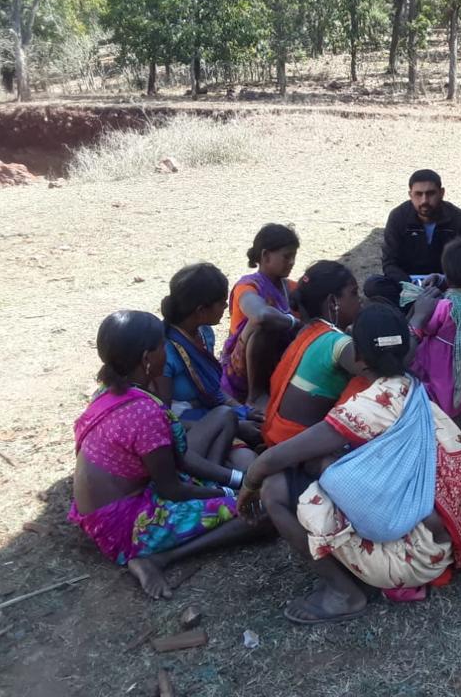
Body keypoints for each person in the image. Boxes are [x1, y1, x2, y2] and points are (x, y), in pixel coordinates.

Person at [237, 305, 461, 624]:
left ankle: (344, 594)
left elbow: (273, 458)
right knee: (321, 464)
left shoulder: (370, 406)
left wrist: (249, 486)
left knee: (275, 489)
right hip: (437, 541)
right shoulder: (410, 387)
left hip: (410, 558)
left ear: (359, 358)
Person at [69, 311, 269, 599]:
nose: (167, 353)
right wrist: (231, 489)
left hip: (114, 506)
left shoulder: (109, 393)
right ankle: (158, 558)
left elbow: (176, 455)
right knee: (264, 510)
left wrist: (238, 480)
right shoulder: (145, 412)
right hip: (124, 526)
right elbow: (171, 489)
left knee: (223, 417)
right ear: (147, 358)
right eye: (163, 346)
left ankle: (223, 492)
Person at [401, 240, 461, 469]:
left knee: (448, 414)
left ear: (449, 277)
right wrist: (444, 281)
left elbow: (427, 327)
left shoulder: (445, 307)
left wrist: (418, 306)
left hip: (448, 367)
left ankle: (452, 461)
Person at [155, 262, 263, 449]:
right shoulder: (165, 353)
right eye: (221, 302)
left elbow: (211, 388)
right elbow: (164, 421)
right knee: (245, 459)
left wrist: (240, 409)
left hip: (211, 414)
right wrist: (235, 425)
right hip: (183, 430)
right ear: (201, 310)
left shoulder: (205, 333)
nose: (226, 306)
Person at [260, 261, 363, 447]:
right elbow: (383, 370)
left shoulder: (308, 330)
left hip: (278, 435)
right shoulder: (338, 344)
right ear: (333, 302)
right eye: (354, 293)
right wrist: (415, 325)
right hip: (300, 447)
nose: (360, 300)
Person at [363, 169, 461, 306]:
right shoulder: (398, 217)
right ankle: (436, 307)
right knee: (373, 285)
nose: (424, 200)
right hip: (408, 282)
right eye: (418, 194)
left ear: (441, 193)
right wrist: (410, 285)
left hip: (446, 283)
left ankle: (420, 306)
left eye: (430, 194)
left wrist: (443, 281)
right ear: (410, 195)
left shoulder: (459, 218)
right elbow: (389, 263)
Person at [220, 224, 301, 407]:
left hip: (277, 361)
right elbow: (260, 315)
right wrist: (295, 323)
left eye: (294, 257)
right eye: (286, 256)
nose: (292, 262)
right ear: (265, 256)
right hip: (243, 371)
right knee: (266, 325)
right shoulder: (247, 287)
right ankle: (256, 396)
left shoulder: (291, 288)